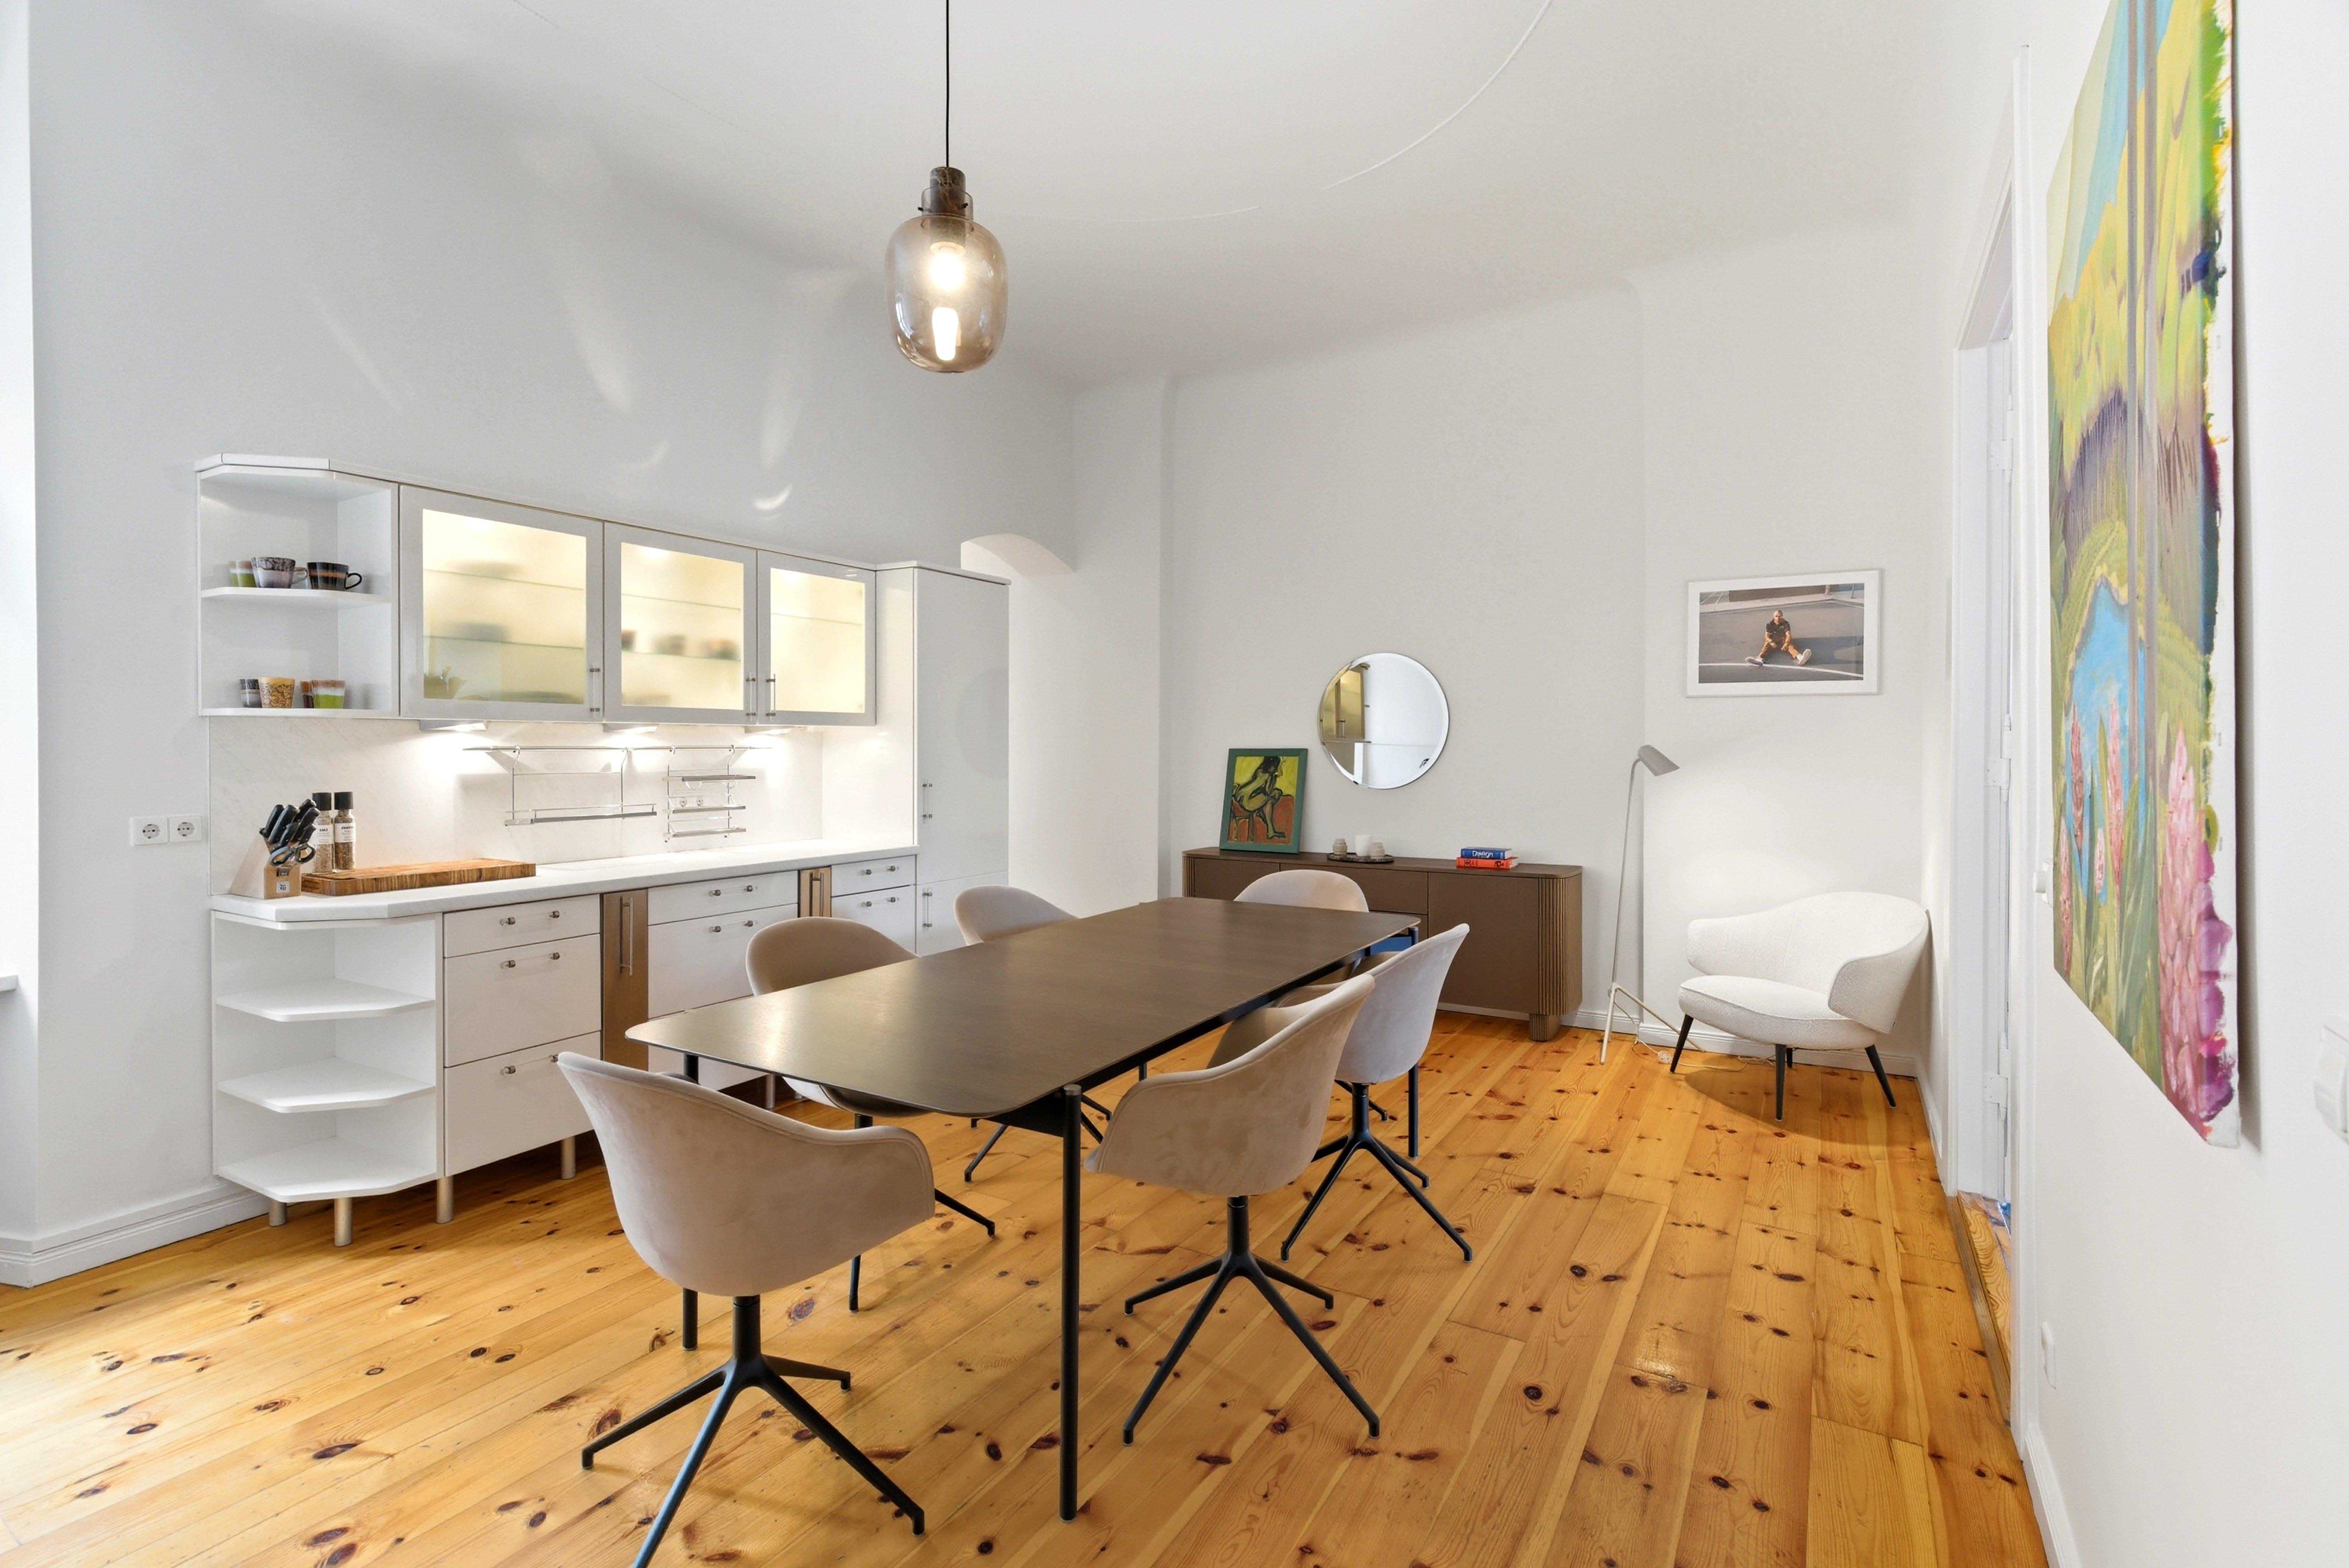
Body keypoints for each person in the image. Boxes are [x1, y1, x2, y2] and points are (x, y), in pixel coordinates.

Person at [1747, 609, 1813, 666]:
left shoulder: (1786, 624)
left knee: (1790, 645)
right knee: (1767, 644)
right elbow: (1767, 636)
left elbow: (1788, 635)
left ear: (1782, 617)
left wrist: (1786, 644)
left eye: (1780, 617)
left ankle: (1799, 657)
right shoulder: (1770, 625)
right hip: (1774, 639)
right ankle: (1760, 659)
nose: (1778, 619)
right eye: (1776, 617)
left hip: (1783, 639)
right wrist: (1772, 643)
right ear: (1774, 616)